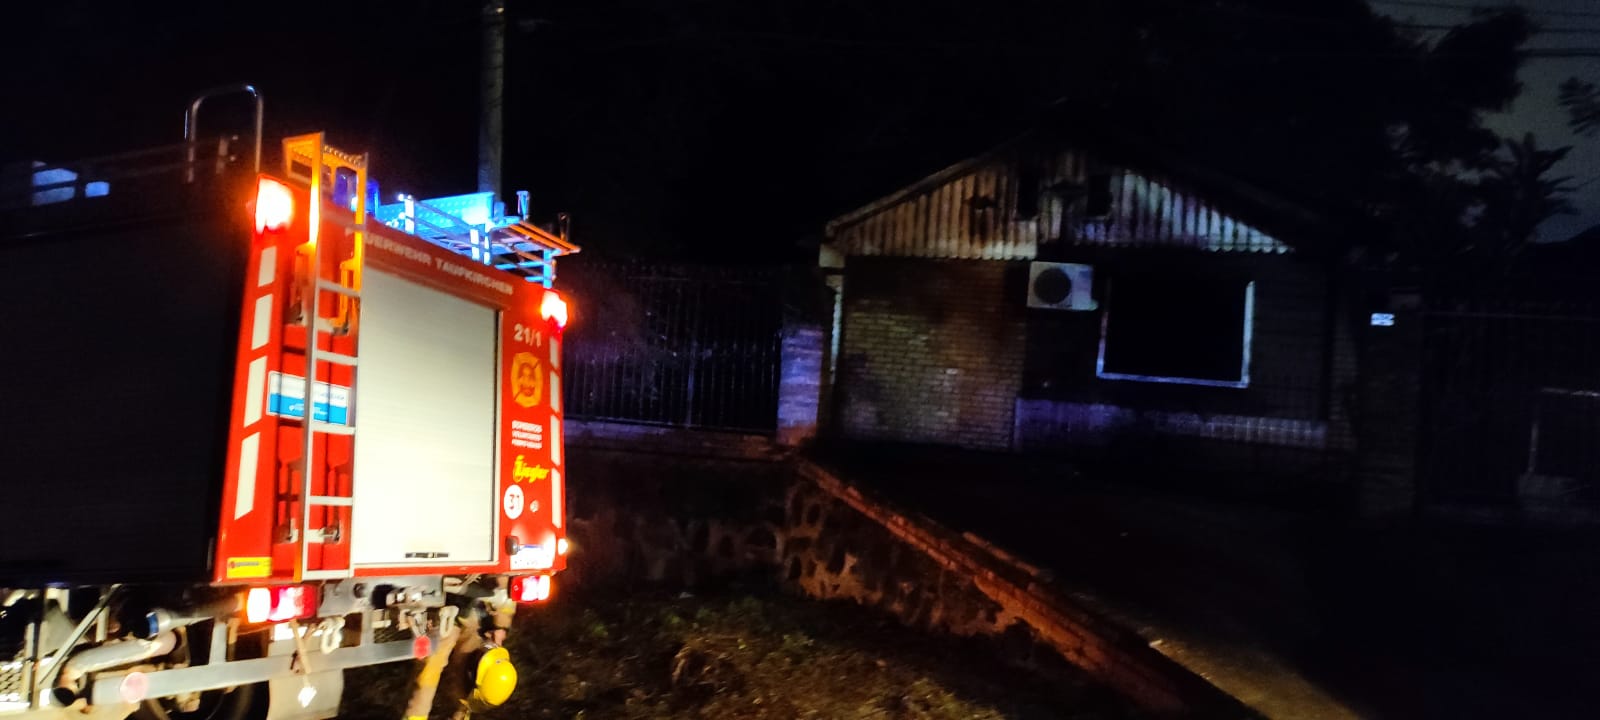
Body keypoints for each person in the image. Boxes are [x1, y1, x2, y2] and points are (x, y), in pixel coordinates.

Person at [402, 581, 518, 720]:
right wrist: (501, 626)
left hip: (468, 612)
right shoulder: (485, 651)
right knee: (432, 665)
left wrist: (501, 625)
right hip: (458, 606)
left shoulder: (480, 675)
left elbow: (505, 595)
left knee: (435, 666)